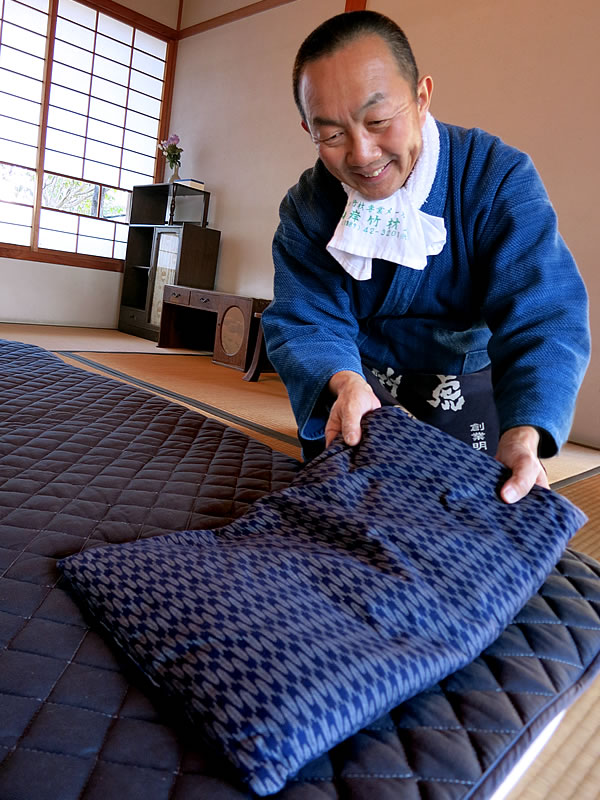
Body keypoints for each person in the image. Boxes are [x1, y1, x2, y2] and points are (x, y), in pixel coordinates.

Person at [261, 10, 590, 503]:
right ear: (307, 128)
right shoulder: (309, 206)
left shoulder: (496, 176)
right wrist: (345, 382)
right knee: (347, 503)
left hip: (465, 379)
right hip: (358, 381)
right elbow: (306, 319)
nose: (362, 154)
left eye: (377, 121)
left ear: (421, 98)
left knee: (481, 503)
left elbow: (545, 314)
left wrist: (524, 435)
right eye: (331, 135)